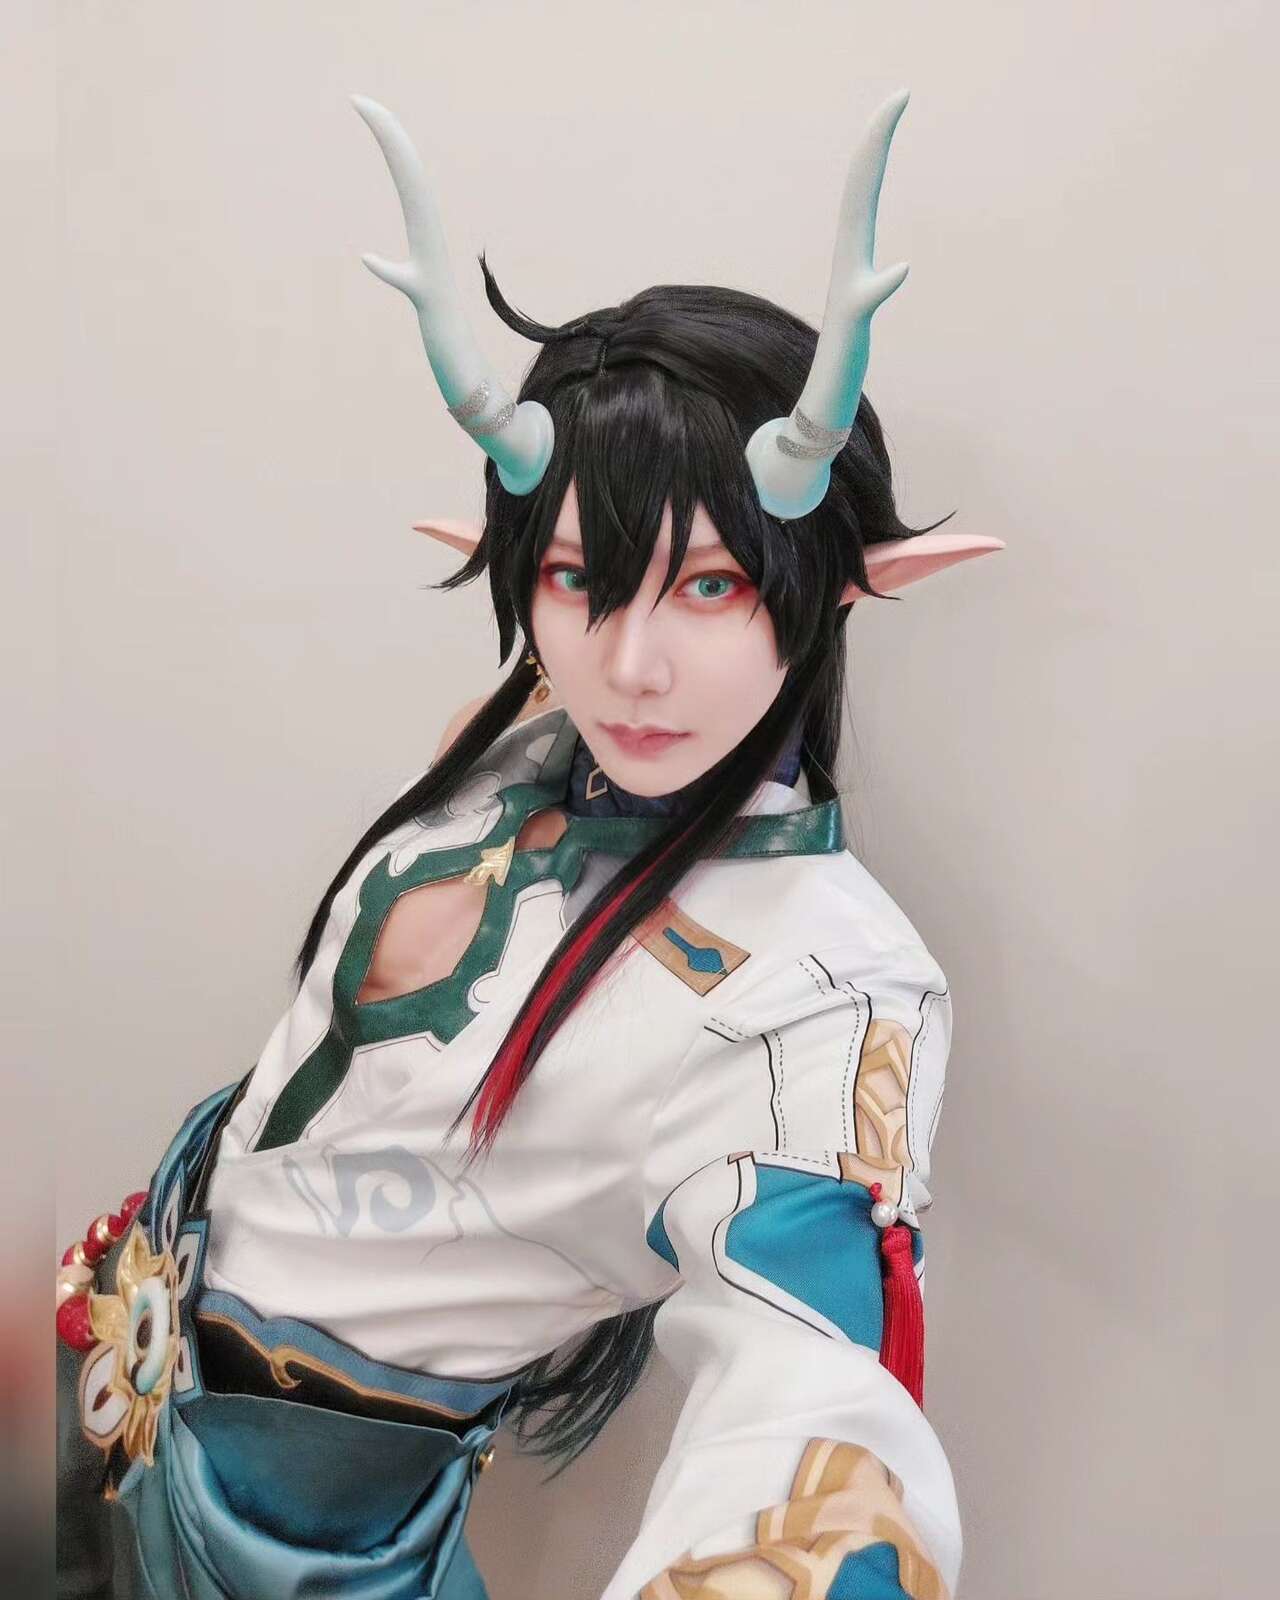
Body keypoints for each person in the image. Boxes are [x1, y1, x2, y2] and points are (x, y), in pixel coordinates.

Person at [55, 89, 1002, 1600]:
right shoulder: (514, 739)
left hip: (301, 1532)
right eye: (577, 577)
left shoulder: (831, 992)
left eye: (710, 588)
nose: (629, 667)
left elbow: (815, 1396)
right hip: (110, 1333)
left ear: (840, 583)